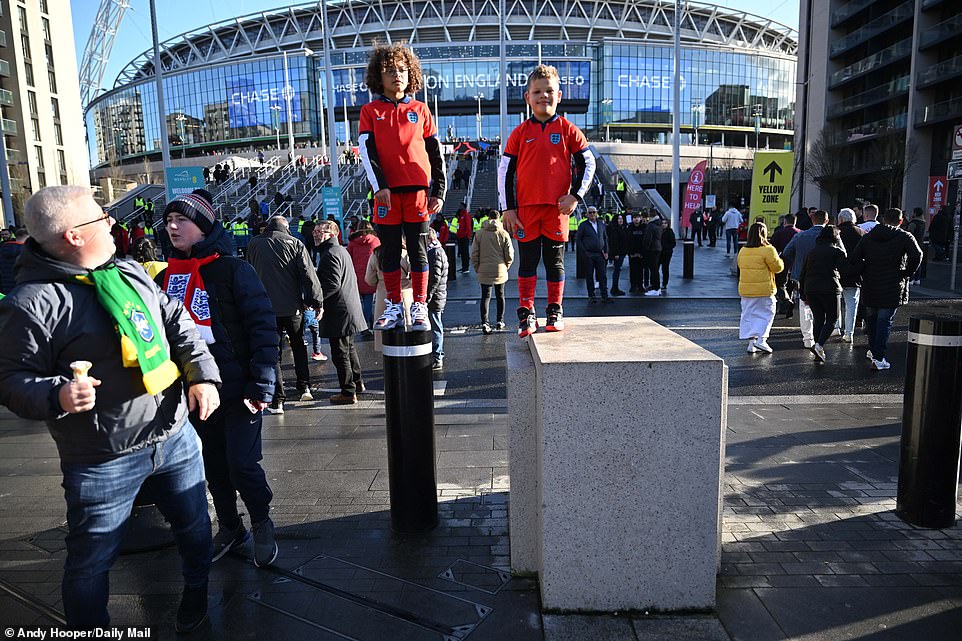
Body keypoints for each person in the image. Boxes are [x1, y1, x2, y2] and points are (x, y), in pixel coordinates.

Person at [0, 186, 221, 632]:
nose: (111, 224)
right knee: (89, 562)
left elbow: (176, 321)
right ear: (75, 235)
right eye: (101, 218)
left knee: (197, 529)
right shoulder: (31, 304)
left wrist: (202, 375)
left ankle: (196, 595)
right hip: (103, 459)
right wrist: (57, 395)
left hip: (174, 434)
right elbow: (9, 379)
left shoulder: (128, 271)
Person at [158, 192, 280, 568]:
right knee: (213, 464)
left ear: (205, 226)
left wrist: (262, 384)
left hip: (240, 388)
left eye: (181, 219)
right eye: (168, 221)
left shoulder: (233, 270)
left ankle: (261, 521)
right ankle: (230, 527)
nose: (172, 227)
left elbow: (262, 328)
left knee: (242, 463)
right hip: (194, 393)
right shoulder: (165, 277)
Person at [499, 64, 596, 336]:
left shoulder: (568, 130)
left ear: (560, 95)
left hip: (557, 211)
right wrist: (508, 209)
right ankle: (526, 313)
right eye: (537, 92)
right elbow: (505, 172)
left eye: (549, 91)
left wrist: (575, 196)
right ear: (528, 97)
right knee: (527, 263)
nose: (544, 96)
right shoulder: (519, 133)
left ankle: (555, 310)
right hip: (527, 212)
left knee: (555, 263)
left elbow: (589, 163)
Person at [358, 43, 446, 333]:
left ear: (411, 75)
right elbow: (367, 150)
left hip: (419, 192)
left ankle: (419, 304)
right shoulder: (370, 111)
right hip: (387, 194)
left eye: (402, 69)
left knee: (419, 251)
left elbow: (435, 151)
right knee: (390, 252)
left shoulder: (421, 109)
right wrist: (380, 185)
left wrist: (439, 190)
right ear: (378, 77)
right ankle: (394, 305)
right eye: (389, 70)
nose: (396, 74)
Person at [247, 216, 325, 412]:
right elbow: (308, 275)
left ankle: (277, 399)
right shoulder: (295, 243)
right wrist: (316, 302)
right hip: (293, 308)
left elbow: (248, 273)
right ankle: (304, 386)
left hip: (265, 308)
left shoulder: (254, 244)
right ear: (286, 228)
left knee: (274, 353)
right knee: (299, 347)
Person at [850, 207, 922, 371]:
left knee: (872, 320)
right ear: (901, 221)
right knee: (884, 322)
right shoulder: (904, 237)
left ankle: (873, 351)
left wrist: (864, 271)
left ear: (883, 219)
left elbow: (855, 257)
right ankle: (878, 356)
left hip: (870, 284)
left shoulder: (869, 237)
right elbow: (916, 255)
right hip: (892, 284)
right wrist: (906, 273)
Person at [313, 221, 367, 405]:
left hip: (339, 311)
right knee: (349, 348)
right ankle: (357, 383)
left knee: (340, 353)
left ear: (332, 234)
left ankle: (348, 391)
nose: (316, 234)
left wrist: (315, 300)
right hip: (348, 308)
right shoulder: (340, 250)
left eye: (321, 231)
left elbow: (331, 285)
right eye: (315, 231)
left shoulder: (329, 254)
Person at [798, 225, 846, 363]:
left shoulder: (812, 252)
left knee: (818, 319)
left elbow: (803, 273)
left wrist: (803, 293)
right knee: (832, 318)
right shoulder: (837, 252)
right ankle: (819, 345)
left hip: (811, 288)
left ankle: (818, 351)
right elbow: (845, 268)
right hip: (830, 288)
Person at [781, 209, 828, 349]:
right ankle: (821, 338)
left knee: (805, 306)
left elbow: (787, 252)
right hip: (825, 276)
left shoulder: (800, 236)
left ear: (812, 220)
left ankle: (808, 338)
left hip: (803, 276)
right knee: (823, 307)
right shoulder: (831, 235)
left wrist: (796, 264)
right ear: (827, 221)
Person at [736, 222, 784, 354]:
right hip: (764, 289)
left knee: (749, 315)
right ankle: (762, 339)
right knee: (767, 313)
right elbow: (778, 268)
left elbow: (739, 265)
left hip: (746, 289)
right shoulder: (768, 249)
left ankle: (751, 343)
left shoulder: (743, 250)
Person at [472, 209, 514, 333]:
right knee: (500, 295)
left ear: (488, 218)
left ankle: (485, 322)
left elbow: (474, 253)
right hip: (500, 268)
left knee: (485, 296)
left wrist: (477, 267)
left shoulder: (479, 233)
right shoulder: (503, 233)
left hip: (484, 269)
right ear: (499, 218)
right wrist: (506, 266)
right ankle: (500, 320)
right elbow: (510, 254)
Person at [836, 208, 865, 342]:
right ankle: (849, 333)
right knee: (851, 304)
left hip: (836, 272)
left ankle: (836, 327)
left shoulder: (836, 232)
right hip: (855, 273)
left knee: (835, 302)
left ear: (841, 219)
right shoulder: (862, 233)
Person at [346, 220, 381, 332]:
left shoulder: (352, 242)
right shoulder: (375, 240)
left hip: (356, 275)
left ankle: (361, 323)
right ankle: (367, 324)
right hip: (371, 273)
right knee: (369, 301)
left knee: (357, 302)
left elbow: (348, 257)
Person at [576, 206, 611, 304]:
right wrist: (584, 252)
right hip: (589, 254)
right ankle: (591, 295)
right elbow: (578, 240)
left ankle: (605, 295)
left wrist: (606, 251)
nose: (592, 214)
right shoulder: (583, 225)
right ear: (587, 214)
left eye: (594, 212)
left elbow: (605, 238)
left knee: (602, 275)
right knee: (589, 275)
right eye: (590, 213)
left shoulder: (601, 224)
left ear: (596, 213)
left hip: (600, 253)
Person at [426, 227, 449, 369]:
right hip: (438, 295)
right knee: (436, 325)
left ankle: (437, 355)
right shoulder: (437, 250)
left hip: (435, 296)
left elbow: (434, 278)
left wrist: (427, 296)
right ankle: (436, 354)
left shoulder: (434, 253)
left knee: (436, 326)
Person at [642, 212, 664, 296]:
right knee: (655, 269)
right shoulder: (658, 224)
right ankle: (656, 287)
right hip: (658, 248)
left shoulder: (651, 225)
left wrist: (645, 249)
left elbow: (647, 239)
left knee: (653, 269)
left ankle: (656, 288)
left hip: (652, 249)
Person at [607, 213, 629, 296]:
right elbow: (614, 242)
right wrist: (616, 253)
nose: (621, 220)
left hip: (621, 252)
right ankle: (614, 288)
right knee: (617, 270)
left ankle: (615, 287)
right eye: (619, 219)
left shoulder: (622, 228)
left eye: (622, 219)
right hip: (618, 253)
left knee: (617, 270)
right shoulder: (615, 229)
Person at [0, 226, 27, 294]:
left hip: (5, 286)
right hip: (22, 287)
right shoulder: (25, 251)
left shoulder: (2, 248)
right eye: (2, 234)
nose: (4, 236)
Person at [904, 207, 926, 285]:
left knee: (910, 261)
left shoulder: (913, 223)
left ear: (915, 213)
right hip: (920, 244)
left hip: (912, 244)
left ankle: (911, 279)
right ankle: (917, 279)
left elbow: (908, 233)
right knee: (918, 262)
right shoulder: (922, 222)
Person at [627, 213, 647, 293]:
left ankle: (640, 285)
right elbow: (628, 241)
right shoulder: (629, 228)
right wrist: (631, 253)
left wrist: (642, 253)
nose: (636, 219)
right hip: (632, 254)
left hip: (641, 253)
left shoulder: (644, 227)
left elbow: (645, 241)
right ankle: (633, 286)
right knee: (632, 271)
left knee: (640, 270)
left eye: (637, 218)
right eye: (634, 218)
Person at [659, 216, 676, 294]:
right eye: (662, 223)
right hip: (658, 252)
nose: (663, 225)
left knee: (665, 268)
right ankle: (656, 283)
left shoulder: (670, 232)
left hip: (666, 252)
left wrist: (666, 247)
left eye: (665, 223)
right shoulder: (658, 231)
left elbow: (673, 243)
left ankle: (664, 283)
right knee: (656, 268)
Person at [455, 202, 472, 273]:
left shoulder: (466, 215)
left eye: (461, 206)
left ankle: (466, 268)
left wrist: (467, 235)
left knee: (465, 252)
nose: (459, 206)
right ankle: (463, 267)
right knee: (462, 252)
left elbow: (468, 226)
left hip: (464, 237)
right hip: (460, 236)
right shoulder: (460, 215)